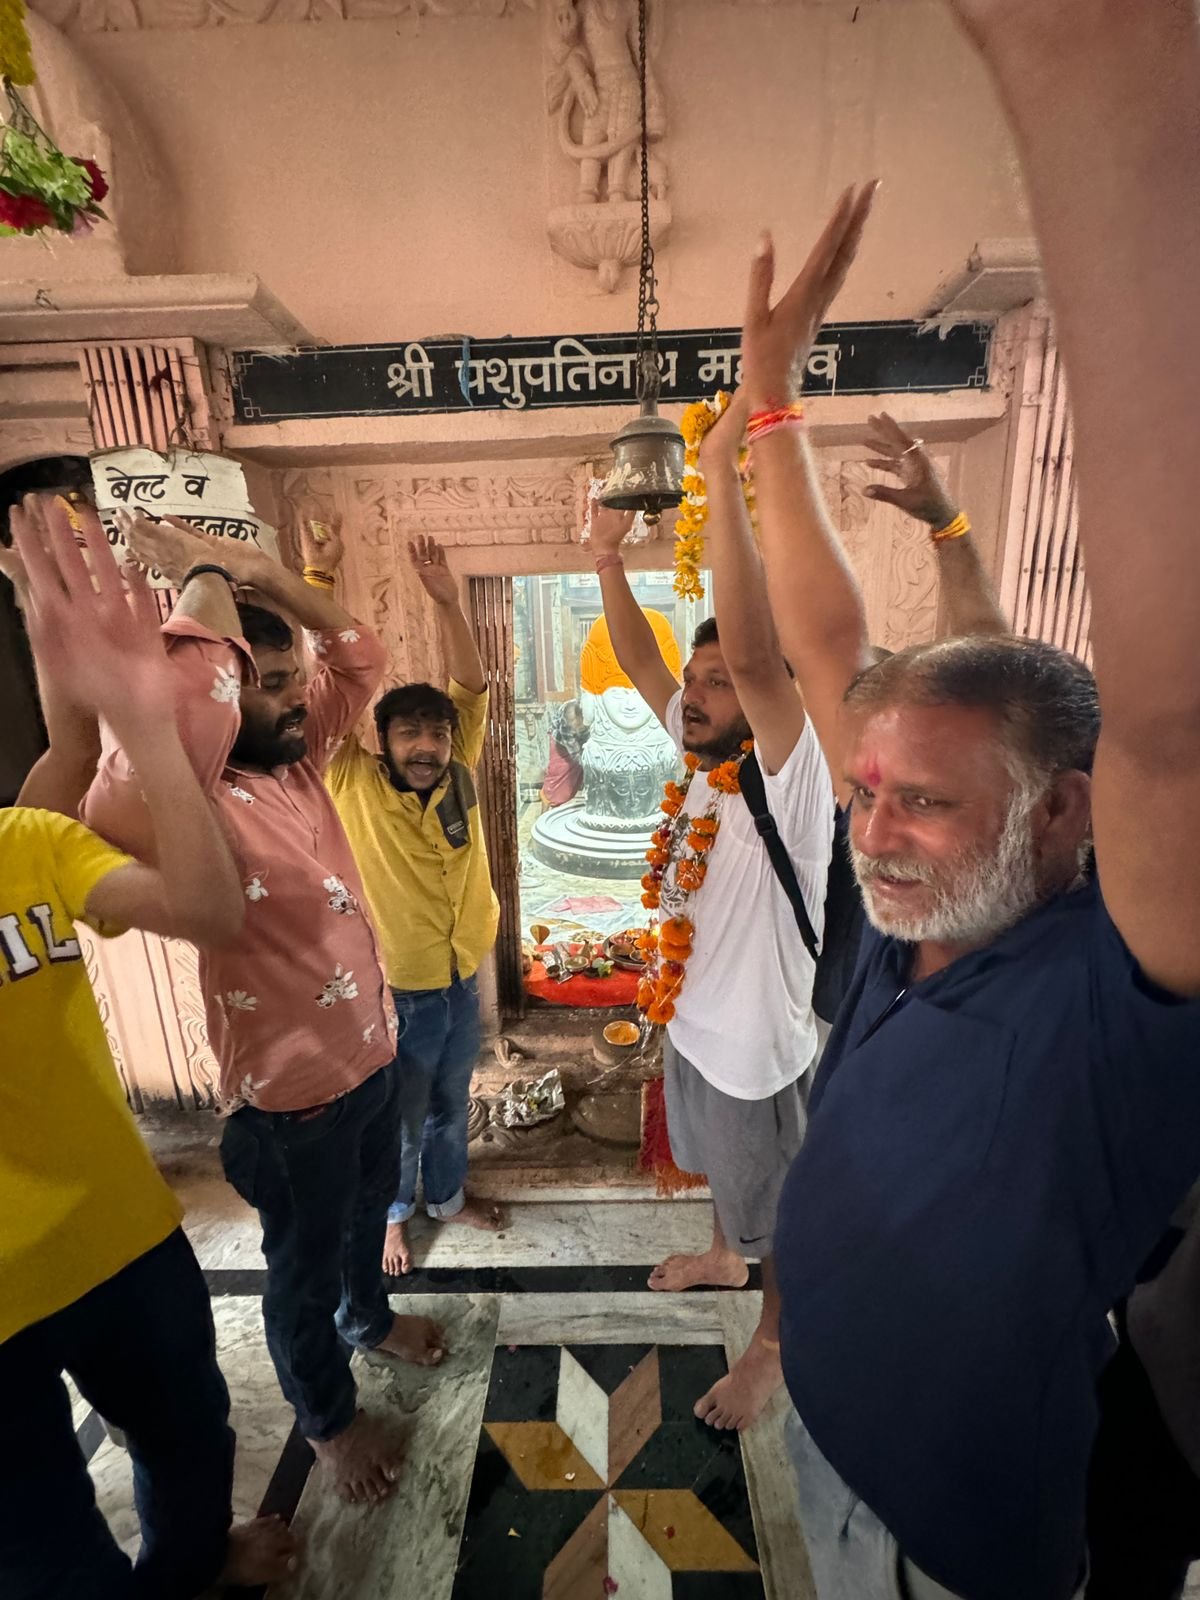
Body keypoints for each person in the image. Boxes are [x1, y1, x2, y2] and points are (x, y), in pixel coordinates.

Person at [741, 0, 1200, 1586]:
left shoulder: (1111, 995)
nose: (871, 829)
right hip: (823, 1438)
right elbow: (823, 643)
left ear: (1069, 810)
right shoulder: (915, 911)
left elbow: (1174, 728)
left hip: (946, 1546)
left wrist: (1093, 81)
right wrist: (767, 399)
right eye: (869, 790)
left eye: (924, 804)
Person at [77, 510, 446, 1508]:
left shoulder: (296, 757)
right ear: (221, 694)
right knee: (301, 1277)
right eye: (269, 684)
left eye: (292, 681)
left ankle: (370, 1321)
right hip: (292, 1107)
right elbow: (180, 703)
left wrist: (260, 570)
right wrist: (201, 579)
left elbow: (360, 659)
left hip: (370, 1061)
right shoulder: (180, 797)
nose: (296, 700)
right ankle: (327, 1420)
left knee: (366, 1221)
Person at [0, 497, 295, 1598]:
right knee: (44, 1552)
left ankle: (190, 1568)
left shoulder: (21, 844)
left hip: (119, 1236)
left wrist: (136, 712)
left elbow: (210, 909)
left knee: (188, 1438)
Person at [590, 465, 834, 1433]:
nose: (691, 695)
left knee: (781, 1219)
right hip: (692, 1029)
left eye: (719, 681)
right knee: (721, 1183)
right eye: (696, 679)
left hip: (753, 1058)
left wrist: (733, 479)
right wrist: (606, 560)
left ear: (768, 691)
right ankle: (723, 1255)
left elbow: (764, 666)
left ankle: (771, 1346)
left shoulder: (791, 776)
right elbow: (641, 660)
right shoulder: (702, 759)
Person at [301, 532, 503, 1279]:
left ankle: (446, 1201)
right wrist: (319, 576)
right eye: (409, 732)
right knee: (400, 1118)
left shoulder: (459, 773)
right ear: (380, 740)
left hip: (461, 975)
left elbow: (470, 686)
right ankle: (391, 1215)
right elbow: (322, 694)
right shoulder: (350, 778)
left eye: (437, 734)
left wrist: (448, 601)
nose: (427, 745)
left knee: (453, 1102)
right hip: (401, 991)